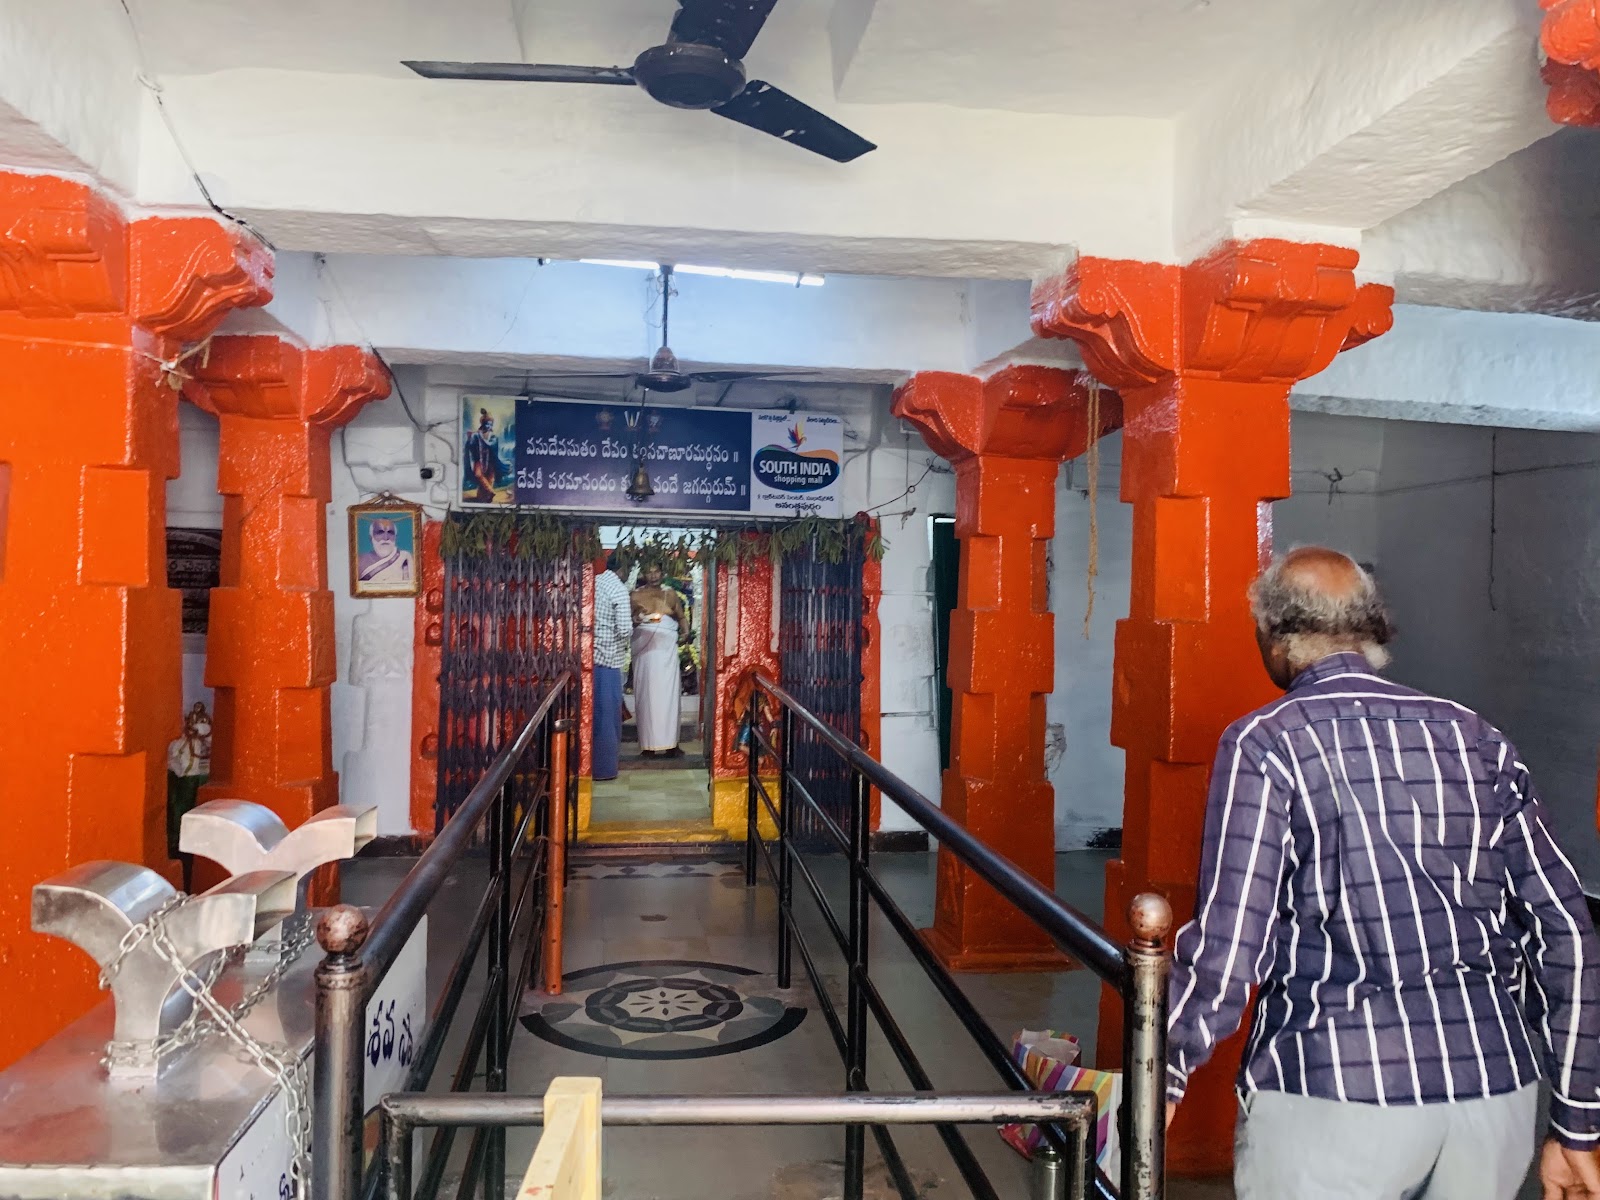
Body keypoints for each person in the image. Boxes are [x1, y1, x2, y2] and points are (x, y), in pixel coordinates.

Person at [1166, 545, 1600, 1200]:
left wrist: (1159, 1076)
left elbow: (1229, 954)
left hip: (1336, 1090)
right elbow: (1567, 930)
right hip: (1493, 1096)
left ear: (1274, 636)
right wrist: (1577, 1123)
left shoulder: (1268, 742)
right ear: (1370, 627)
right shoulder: (1475, 738)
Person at [630, 560, 689, 757]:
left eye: (657, 571)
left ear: (662, 573)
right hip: (645, 650)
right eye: (649, 572)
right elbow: (628, 620)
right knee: (646, 697)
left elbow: (681, 617)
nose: (653, 575)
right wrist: (637, 619)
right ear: (643, 574)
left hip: (666, 650)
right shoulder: (635, 595)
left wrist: (685, 634)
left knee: (669, 697)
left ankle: (671, 743)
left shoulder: (670, 594)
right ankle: (648, 746)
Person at [591, 553, 631, 782]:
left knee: (593, 716)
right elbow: (625, 629)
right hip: (609, 662)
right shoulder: (618, 589)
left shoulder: (595, 582)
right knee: (608, 719)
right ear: (623, 569)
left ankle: (590, 766)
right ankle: (604, 769)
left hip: (590, 661)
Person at [464, 408, 506, 503]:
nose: (489, 425)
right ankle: (490, 492)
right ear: (482, 423)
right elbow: (471, 446)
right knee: (478, 474)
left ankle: (487, 497)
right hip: (479, 460)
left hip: (491, 461)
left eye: (490, 424)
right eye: (487, 423)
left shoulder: (494, 436)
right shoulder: (476, 435)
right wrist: (470, 438)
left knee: (490, 479)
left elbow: (490, 445)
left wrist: (480, 436)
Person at [357, 517, 413, 585]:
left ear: (395, 537)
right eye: (380, 532)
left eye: (390, 532)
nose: (386, 538)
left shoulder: (405, 558)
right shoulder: (359, 561)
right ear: (371, 538)